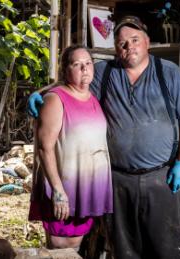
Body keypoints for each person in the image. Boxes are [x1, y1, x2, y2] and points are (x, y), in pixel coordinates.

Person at [28, 16, 180, 259]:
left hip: (160, 178)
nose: (129, 47)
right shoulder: (104, 72)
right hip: (117, 180)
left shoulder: (167, 72)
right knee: (124, 249)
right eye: (122, 43)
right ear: (116, 48)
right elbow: (73, 81)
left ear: (147, 42)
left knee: (167, 248)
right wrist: (40, 92)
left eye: (134, 40)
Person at [28, 45, 113, 250]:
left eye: (88, 63)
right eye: (77, 64)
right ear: (65, 70)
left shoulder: (92, 96)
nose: (84, 69)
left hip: (86, 188)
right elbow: (44, 148)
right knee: (60, 246)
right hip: (64, 188)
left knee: (74, 246)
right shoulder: (56, 99)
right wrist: (58, 191)